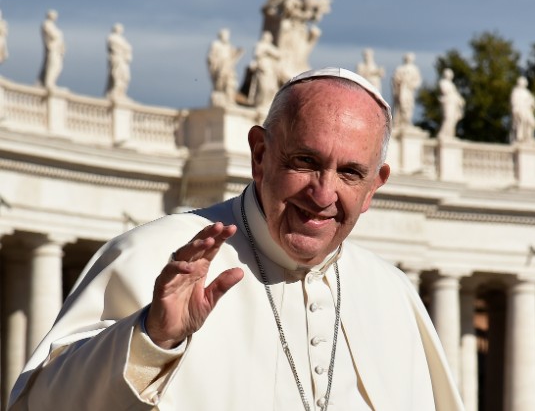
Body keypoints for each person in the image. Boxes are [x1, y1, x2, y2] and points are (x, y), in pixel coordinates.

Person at [9, 67, 464, 411]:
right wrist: (152, 338)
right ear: (261, 156)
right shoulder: (154, 256)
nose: (323, 194)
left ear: (373, 189)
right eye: (305, 161)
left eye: (350, 173)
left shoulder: (393, 294)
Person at [207, 28, 244, 106]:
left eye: (227, 35)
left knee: (230, 83)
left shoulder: (228, 46)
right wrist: (215, 65)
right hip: (220, 67)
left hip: (228, 67)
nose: (227, 37)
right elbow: (211, 57)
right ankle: (221, 100)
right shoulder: (216, 44)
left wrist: (238, 52)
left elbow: (232, 55)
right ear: (221, 36)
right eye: (225, 35)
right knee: (220, 84)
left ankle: (229, 100)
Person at [250, 31, 281, 108]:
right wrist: (266, 51)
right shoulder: (259, 45)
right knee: (263, 88)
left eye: (269, 38)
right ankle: (260, 104)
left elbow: (278, 54)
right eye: (266, 37)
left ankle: (268, 106)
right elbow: (256, 54)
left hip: (270, 71)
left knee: (272, 88)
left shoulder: (270, 47)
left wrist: (268, 50)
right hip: (262, 69)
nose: (267, 39)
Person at [392, 52, 422, 126]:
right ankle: (398, 122)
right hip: (401, 89)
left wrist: (412, 85)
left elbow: (418, 80)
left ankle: (406, 121)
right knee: (401, 104)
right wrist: (400, 82)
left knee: (409, 105)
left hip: (409, 90)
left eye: (410, 58)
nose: (408, 59)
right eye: (407, 58)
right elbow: (395, 79)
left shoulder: (415, 69)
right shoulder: (400, 68)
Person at [38, 9, 65, 89]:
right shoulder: (46, 24)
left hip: (57, 50)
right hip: (52, 49)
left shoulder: (52, 25)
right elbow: (53, 35)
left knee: (57, 66)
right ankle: (48, 83)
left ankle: (48, 82)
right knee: (52, 65)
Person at [105, 23, 133, 100]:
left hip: (122, 60)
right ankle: (115, 92)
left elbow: (128, 49)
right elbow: (115, 47)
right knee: (117, 75)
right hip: (117, 59)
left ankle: (120, 93)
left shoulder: (122, 39)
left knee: (126, 77)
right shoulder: (111, 37)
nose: (120, 30)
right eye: (118, 28)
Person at [510, 76, 535, 144]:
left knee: (532, 123)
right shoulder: (515, 92)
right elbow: (514, 103)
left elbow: (533, 103)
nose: (522, 83)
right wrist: (516, 110)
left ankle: (528, 138)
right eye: (521, 82)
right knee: (522, 122)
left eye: (523, 82)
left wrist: (533, 104)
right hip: (520, 110)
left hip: (527, 111)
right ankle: (521, 139)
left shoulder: (527, 92)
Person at [437, 68, 465, 139]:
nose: (449, 75)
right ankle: (443, 134)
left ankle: (449, 134)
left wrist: (460, 100)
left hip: (453, 103)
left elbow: (455, 94)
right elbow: (445, 91)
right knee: (448, 117)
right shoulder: (443, 83)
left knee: (452, 119)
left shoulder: (452, 85)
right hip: (448, 102)